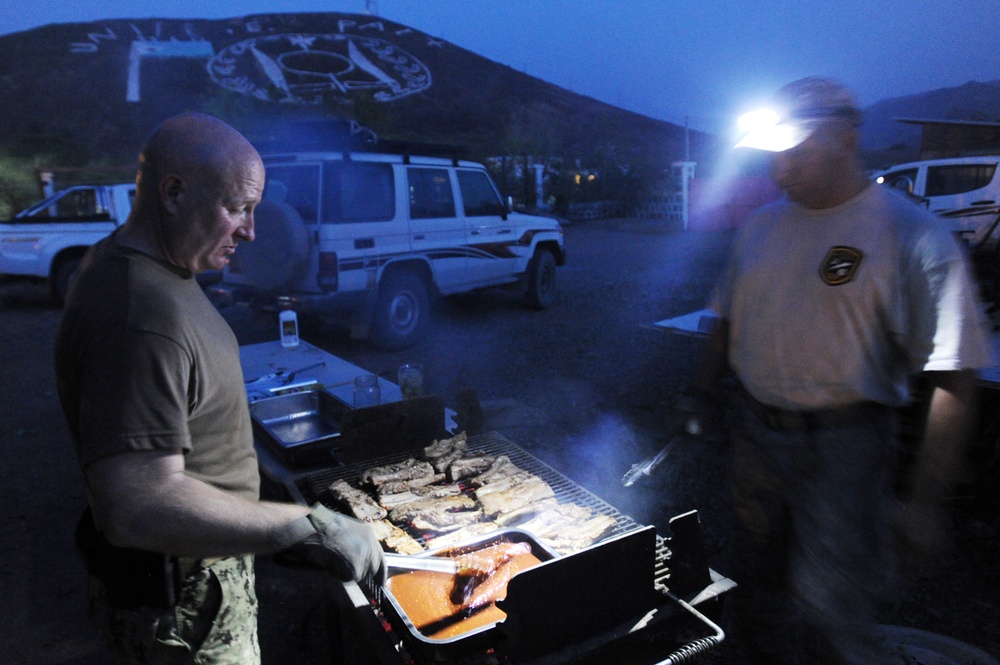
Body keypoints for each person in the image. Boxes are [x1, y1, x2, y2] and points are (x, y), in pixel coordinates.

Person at [54, 112, 384, 665]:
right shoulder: (142, 314)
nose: (253, 231)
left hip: (192, 571)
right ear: (175, 193)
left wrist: (266, 489)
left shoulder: (147, 267)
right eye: (237, 208)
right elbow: (136, 503)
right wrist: (301, 528)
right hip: (185, 602)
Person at [683, 77, 991, 664]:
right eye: (776, 153)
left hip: (845, 446)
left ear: (847, 140)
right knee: (756, 587)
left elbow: (954, 374)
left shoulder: (909, 234)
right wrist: (698, 392)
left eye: (798, 151)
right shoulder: (760, 227)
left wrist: (926, 500)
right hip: (755, 434)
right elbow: (723, 320)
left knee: (832, 607)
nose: (781, 169)